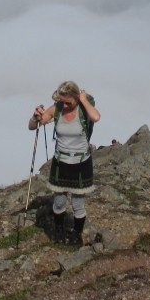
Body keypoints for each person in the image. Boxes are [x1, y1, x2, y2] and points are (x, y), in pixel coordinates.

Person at [29, 81, 100, 245]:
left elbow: (96, 117)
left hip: (81, 162)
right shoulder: (57, 109)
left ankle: (76, 234)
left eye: (69, 102)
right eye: (62, 101)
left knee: (78, 204)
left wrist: (83, 99)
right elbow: (33, 126)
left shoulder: (84, 110)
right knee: (59, 202)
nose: (65, 105)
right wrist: (35, 117)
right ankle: (59, 232)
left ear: (76, 98)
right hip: (61, 162)